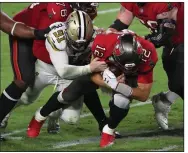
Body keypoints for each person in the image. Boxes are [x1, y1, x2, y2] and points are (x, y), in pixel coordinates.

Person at [108, 2, 184, 130]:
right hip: (172, 45)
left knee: (182, 81)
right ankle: (163, 101)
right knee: (176, 85)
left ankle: (164, 102)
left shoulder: (162, 4)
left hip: (179, 40)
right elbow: (119, 24)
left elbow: (164, 35)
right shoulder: (131, 3)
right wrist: (108, 36)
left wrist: (136, 42)